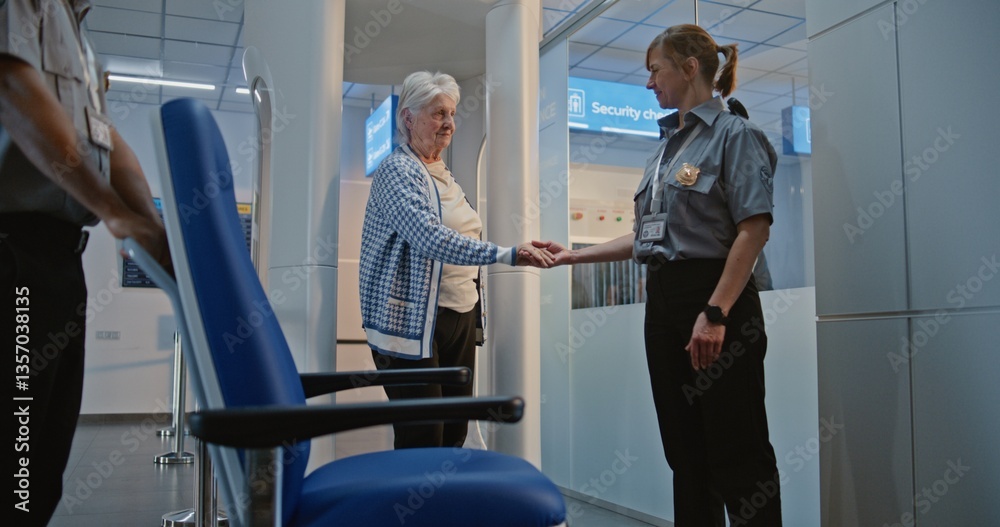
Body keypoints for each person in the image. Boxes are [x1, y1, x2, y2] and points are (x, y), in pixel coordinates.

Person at [534, 24, 782, 526]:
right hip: (665, 300)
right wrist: (573, 257)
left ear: (689, 68)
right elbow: (648, 237)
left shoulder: (736, 136)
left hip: (715, 298)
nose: (649, 83)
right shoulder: (666, 149)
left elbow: (753, 230)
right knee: (685, 454)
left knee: (738, 451)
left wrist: (715, 313)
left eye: (655, 70)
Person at [1, 1, 171, 524]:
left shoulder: (78, 35)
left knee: (42, 463)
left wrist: (151, 225)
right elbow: (11, 84)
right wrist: (113, 212)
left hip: (59, 259)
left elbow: (103, 139)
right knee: (16, 469)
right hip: (14, 252)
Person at [359, 71, 551, 449]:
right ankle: (413, 491)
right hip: (408, 320)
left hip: (459, 313)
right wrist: (507, 253)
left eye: (451, 113)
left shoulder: (443, 174)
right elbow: (429, 238)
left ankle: (447, 491)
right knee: (423, 433)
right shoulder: (397, 171)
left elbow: (464, 233)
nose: (449, 123)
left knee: (454, 430)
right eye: (438, 114)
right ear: (408, 118)